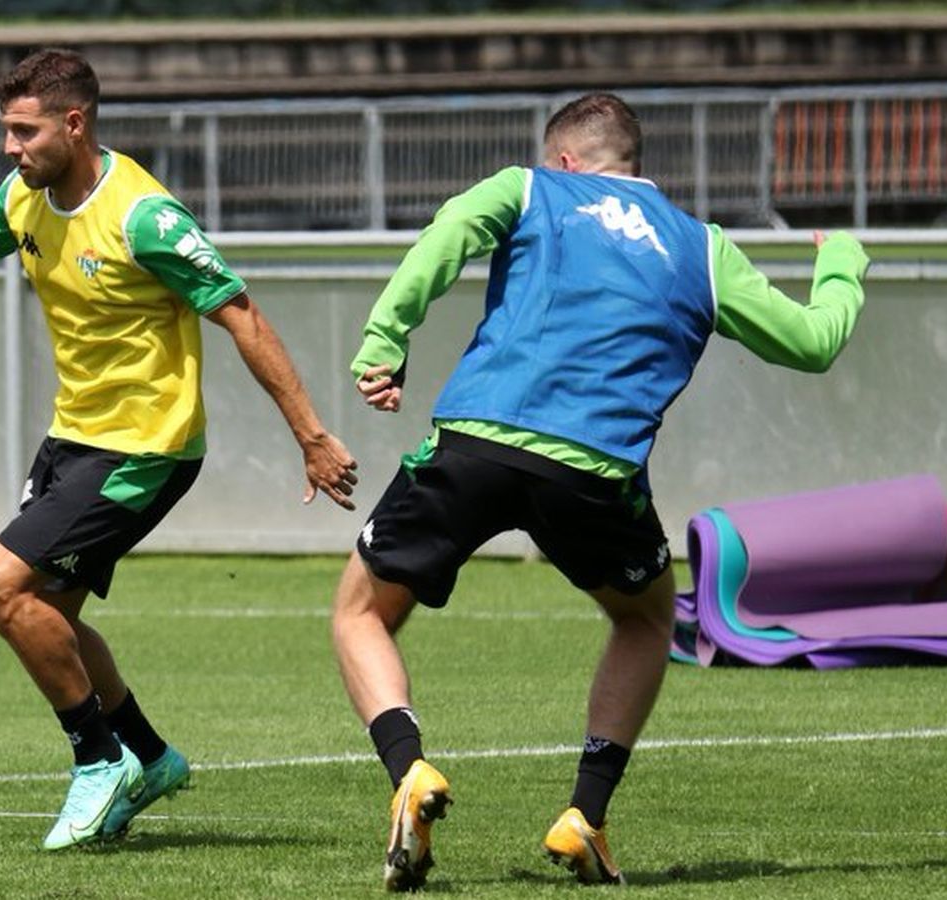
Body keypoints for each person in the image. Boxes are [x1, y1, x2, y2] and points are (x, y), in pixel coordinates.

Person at [0, 48, 358, 851]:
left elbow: (241, 313)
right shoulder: (21, 198)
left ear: (74, 124)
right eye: (6, 130)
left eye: (24, 131)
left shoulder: (145, 218)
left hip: (146, 449)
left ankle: (98, 761)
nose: (10, 147)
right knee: (50, 615)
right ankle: (150, 757)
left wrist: (311, 435)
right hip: (73, 437)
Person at [331, 92, 868, 890]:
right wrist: (842, 265)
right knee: (647, 617)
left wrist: (386, 338)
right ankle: (585, 815)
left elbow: (446, 233)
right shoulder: (703, 248)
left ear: (566, 160)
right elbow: (814, 343)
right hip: (594, 472)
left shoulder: (529, 188)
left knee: (360, 611)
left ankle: (410, 770)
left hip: (478, 440)